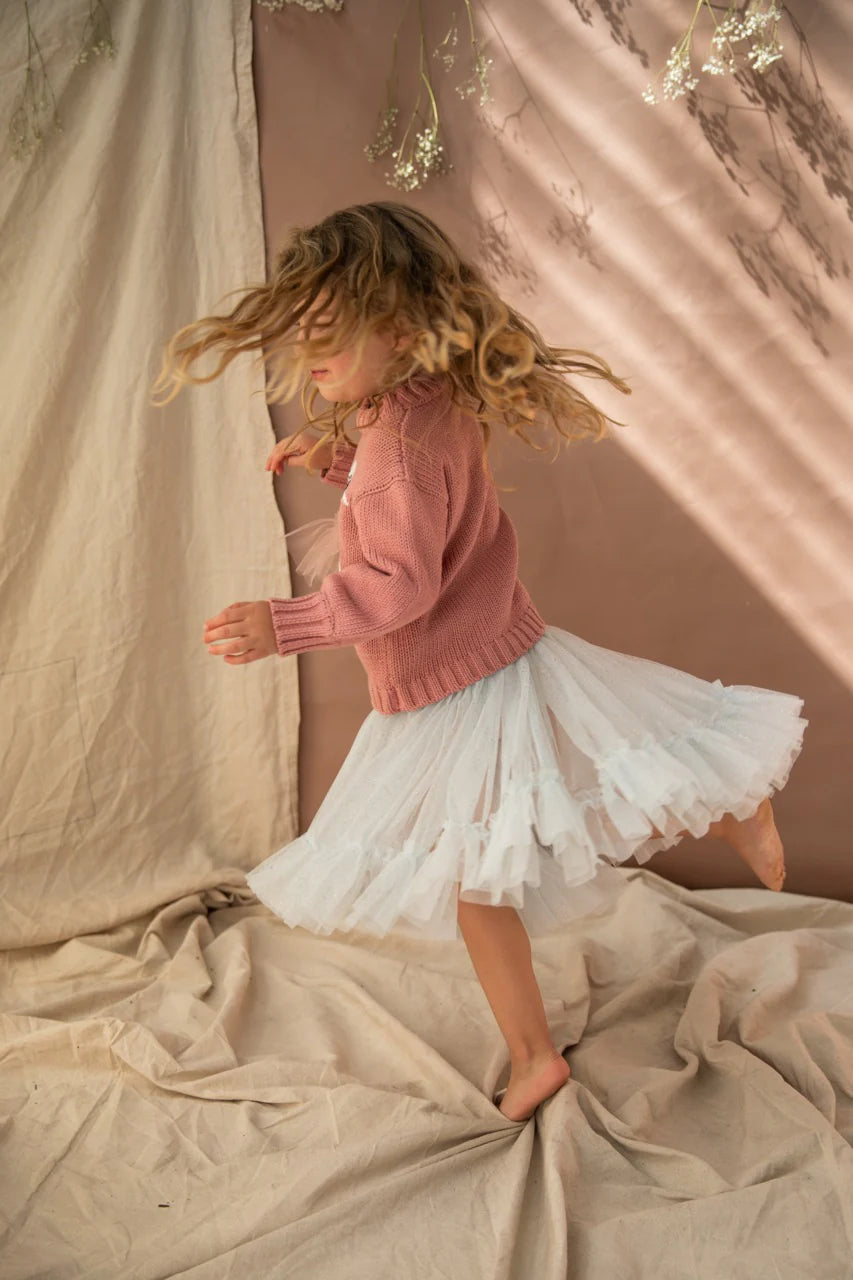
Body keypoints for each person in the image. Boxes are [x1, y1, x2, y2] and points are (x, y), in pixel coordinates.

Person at [152, 201, 808, 1123]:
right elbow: (435, 505)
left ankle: (542, 1046)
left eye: (330, 342)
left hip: (457, 684)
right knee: (568, 793)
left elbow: (400, 580)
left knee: (491, 870)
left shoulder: (396, 444)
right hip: (487, 648)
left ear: (401, 327)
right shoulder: (421, 407)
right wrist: (340, 456)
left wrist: (284, 623)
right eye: (307, 344)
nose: (313, 363)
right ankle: (548, 1039)